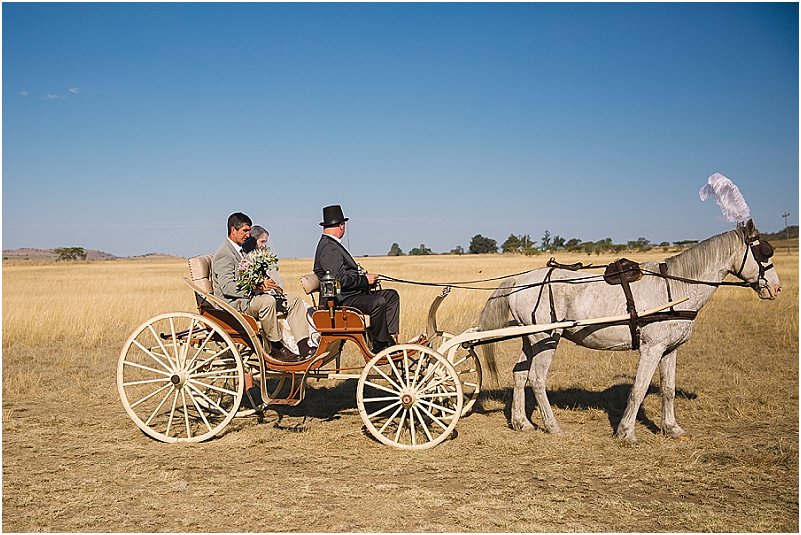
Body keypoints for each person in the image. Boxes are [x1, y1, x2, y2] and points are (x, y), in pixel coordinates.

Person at [212, 212, 314, 361]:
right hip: (235, 304)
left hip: (252, 298)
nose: (248, 235)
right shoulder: (225, 254)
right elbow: (228, 287)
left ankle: (304, 347)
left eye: (249, 230)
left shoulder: (242, 250)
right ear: (233, 230)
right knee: (268, 302)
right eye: (245, 231)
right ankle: (275, 346)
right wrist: (257, 286)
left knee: (294, 300)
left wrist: (266, 282)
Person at [313, 205, 400, 353]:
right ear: (341, 226)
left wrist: (363, 277)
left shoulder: (332, 245)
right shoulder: (329, 248)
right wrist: (365, 280)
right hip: (340, 300)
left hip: (349, 295)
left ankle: (388, 338)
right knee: (378, 302)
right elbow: (340, 281)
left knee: (391, 296)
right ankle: (380, 344)